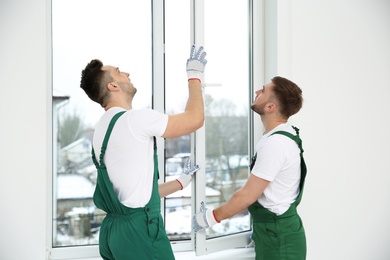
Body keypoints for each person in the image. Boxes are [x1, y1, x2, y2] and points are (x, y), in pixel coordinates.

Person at [80, 45, 207, 260]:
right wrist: (195, 78)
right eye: (119, 71)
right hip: (140, 233)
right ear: (112, 85)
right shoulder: (134, 120)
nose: (127, 74)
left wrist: (179, 183)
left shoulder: (102, 128)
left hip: (113, 233)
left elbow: (133, 196)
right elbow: (195, 119)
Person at [193, 76, 307, 260]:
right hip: (274, 235)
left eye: (263, 90)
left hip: (279, 241)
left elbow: (246, 195)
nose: (257, 92)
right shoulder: (281, 136)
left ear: (271, 107)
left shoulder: (276, 144)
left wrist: (210, 217)